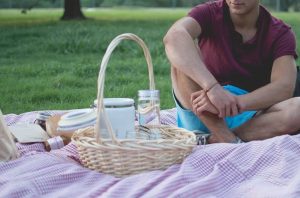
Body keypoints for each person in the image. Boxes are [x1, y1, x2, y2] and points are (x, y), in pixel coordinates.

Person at [163, 0, 299, 144]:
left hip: (247, 117)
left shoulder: (280, 32)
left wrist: (234, 104)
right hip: (200, 109)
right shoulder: (209, 12)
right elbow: (173, 37)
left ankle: (215, 139)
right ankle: (226, 138)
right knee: (181, 56)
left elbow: (284, 87)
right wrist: (212, 88)